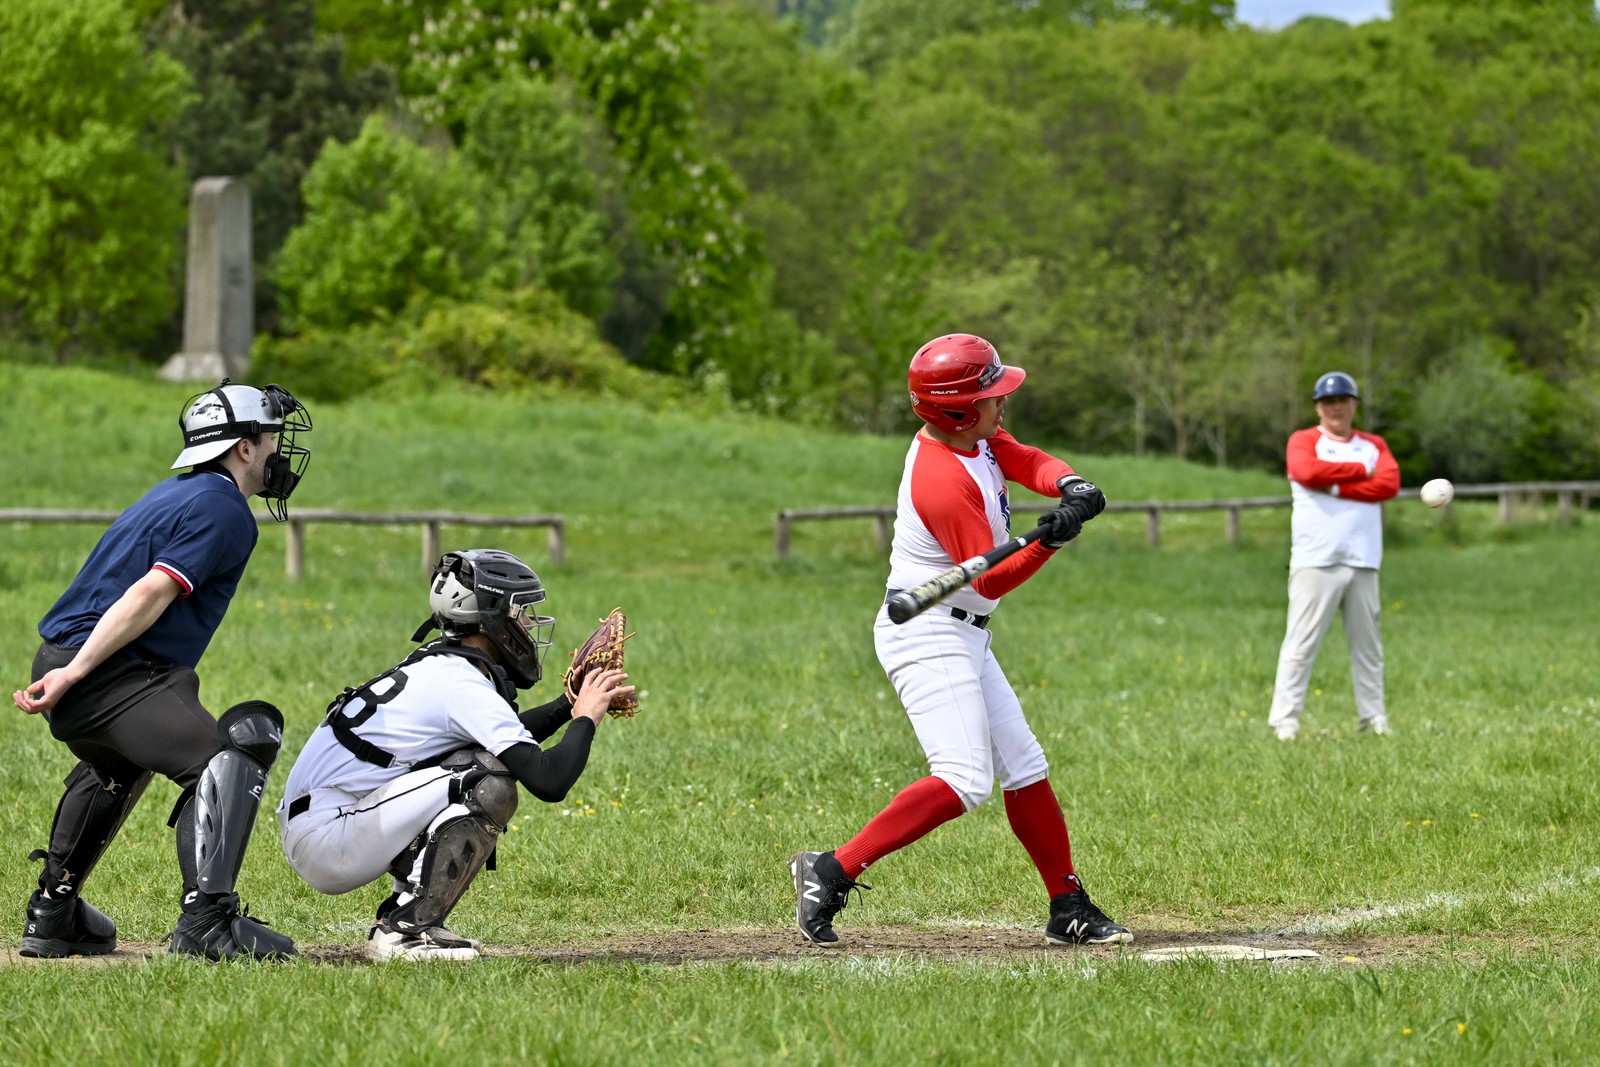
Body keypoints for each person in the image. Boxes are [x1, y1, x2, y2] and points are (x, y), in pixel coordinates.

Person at [790, 333, 1131, 947]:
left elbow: (1024, 457)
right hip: (927, 634)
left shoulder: (975, 436)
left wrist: (1069, 486)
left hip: (963, 632)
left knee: (1025, 767)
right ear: (956, 409)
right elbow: (994, 578)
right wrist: (1050, 542)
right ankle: (831, 870)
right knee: (965, 779)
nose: (1002, 403)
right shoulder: (940, 478)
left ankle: (1067, 905)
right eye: (991, 395)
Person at [14, 380, 314, 960]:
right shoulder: (222, 507)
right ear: (244, 447)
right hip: (104, 671)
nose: (281, 449)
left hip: (81, 663)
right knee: (227, 758)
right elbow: (150, 592)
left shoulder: (180, 492)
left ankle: (54, 913)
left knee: (120, 763)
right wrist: (76, 674)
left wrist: (67, 668)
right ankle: (206, 923)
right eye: (273, 436)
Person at [277, 548, 633, 961]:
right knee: (486, 782)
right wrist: (586, 719)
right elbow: (549, 780)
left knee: (477, 761)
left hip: (325, 823)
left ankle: (400, 916)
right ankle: (406, 931)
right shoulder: (460, 684)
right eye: (521, 612)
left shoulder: (441, 664)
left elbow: (507, 741)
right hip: (329, 838)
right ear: (492, 617)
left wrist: (566, 705)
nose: (530, 624)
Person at [1267, 371, 1401, 741]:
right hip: (1316, 559)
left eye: (1343, 400)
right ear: (1318, 407)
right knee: (1301, 642)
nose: (1336, 408)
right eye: (1328, 402)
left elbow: (1388, 483)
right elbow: (1305, 471)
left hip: (1363, 559)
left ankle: (1373, 719)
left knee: (1368, 647)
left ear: (1354, 404)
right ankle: (1285, 720)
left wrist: (1336, 486)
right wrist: (1359, 473)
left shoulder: (1374, 445)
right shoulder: (1305, 440)